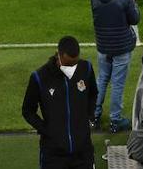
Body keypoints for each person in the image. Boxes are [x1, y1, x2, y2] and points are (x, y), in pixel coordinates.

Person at [23, 36, 98, 169]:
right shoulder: (40, 77)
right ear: (58, 55)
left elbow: (93, 93)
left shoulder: (86, 68)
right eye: (68, 64)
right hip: (54, 154)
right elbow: (27, 111)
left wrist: (89, 116)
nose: (72, 68)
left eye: (75, 64)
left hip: (82, 152)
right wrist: (46, 130)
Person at [91, 0, 140, 133]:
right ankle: (115, 120)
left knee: (102, 79)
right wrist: (133, 2)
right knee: (117, 84)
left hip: (103, 45)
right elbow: (134, 19)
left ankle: (94, 115)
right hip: (121, 46)